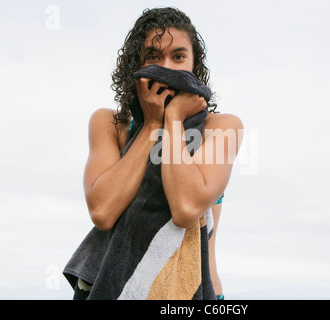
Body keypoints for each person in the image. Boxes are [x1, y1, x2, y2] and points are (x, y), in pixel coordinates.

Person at [80, 7, 242, 299]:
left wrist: (175, 119)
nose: (167, 68)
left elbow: (185, 208)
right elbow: (103, 212)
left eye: (178, 57)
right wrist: (153, 124)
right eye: (153, 57)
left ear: (195, 65)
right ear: (136, 65)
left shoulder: (222, 128)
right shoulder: (110, 124)